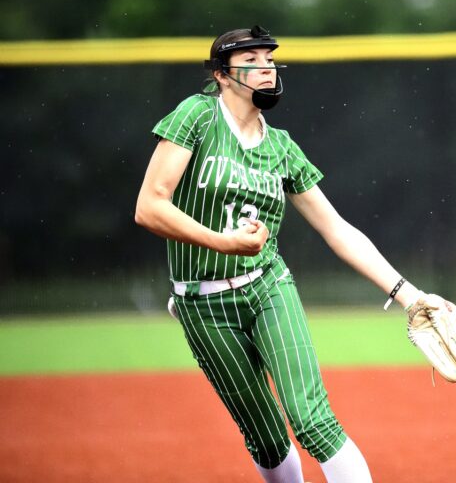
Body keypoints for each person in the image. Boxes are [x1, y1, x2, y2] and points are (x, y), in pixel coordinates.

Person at [135, 25, 435, 483]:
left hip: (267, 285)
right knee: (267, 439)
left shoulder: (281, 148)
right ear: (220, 74)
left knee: (312, 419)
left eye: (270, 60)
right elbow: (150, 206)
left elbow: (336, 229)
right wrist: (226, 242)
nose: (266, 68)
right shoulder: (195, 116)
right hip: (201, 304)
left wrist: (409, 294)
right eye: (252, 61)